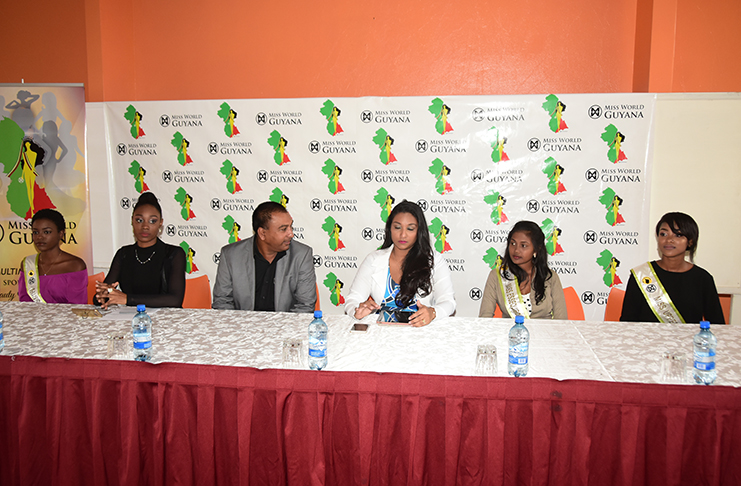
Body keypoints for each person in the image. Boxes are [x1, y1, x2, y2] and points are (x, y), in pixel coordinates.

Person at [344, 200, 455, 326]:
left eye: (410, 228)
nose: (403, 235)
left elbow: (448, 302)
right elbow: (353, 299)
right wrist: (357, 310)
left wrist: (433, 312)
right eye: (397, 227)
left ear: (419, 231)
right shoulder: (373, 259)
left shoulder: (434, 261)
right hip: (381, 334)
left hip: (420, 332)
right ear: (389, 229)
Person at [620, 212, 724, 323]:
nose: (669, 240)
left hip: (689, 340)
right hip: (646, 339)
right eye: (663, 234)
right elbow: (627, 323)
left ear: (690, 242)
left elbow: (717, 325)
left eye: (678, 235)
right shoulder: (642, 275)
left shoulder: (703, 279)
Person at [212, 201, 316, 312]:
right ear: (262, 233)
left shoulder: (301, 255)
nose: (291, 234)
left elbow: (305, 305)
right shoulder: (231, 255)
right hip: (243, 325)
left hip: (285, 326)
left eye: (291, 226)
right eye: (283, 229)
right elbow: (222, 302)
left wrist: (282, 328)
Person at [95, 192, 185, 309]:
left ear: (160, 223)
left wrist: (128, 299)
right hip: (130, 320)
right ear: (132, 221)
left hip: (166, 321)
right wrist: (102, 296)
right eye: (139, 220)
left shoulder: (174, 254)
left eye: (152, 221)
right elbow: (101, 296)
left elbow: (175, 300)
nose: (145, 226)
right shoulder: (124, 254)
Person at [479, 221, 567, 319]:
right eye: (512, 243)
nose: (516, 250)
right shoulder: (497, 275)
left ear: (536, 250)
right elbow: (485, 318)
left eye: (523, 245)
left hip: (544, 332)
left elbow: (561, 320)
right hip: (510, 333)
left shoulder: (550, 277)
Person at [18, 209, 87, 303]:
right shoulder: (28, 264)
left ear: (61, 234)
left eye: (46, 232)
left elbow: (78, 306)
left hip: (66, 317)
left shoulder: (74, 266)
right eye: (35, 232)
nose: (40, 237)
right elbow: (25, 302)